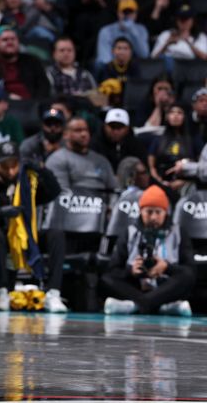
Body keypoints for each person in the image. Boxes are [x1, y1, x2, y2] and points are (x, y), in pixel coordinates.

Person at [0, 141, 66, 312]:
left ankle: (54, 292)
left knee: (57, 234)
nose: (10, 171)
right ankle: (0, 292)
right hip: (4, 238)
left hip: (27, 237)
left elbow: (54, 191)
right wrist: (3, 212)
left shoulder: (27, 182)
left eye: (14, 165)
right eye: (5, 166)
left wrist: (41, 169)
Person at [102, 185, 194, 316]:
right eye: (149, 212)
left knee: (187, 277)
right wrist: (131, 270)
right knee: (107, 278)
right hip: (136, 286)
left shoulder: (178, 232)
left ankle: (136, 305)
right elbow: (113, 269)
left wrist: (167, 267)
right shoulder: (129, 232)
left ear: (165, 212)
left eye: (158, 212)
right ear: (140, 211)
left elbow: (190, 270)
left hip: (166, 286)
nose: (153, 217)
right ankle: (160, 306)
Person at [46, 117, 118, 192]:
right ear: (65, 134)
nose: (84, 134)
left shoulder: (101, 160)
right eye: (78, 130)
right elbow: (61, 194)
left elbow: (114, 191)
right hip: (72, 202)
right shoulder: (57, 159)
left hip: (102, 202)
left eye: (86, 130)